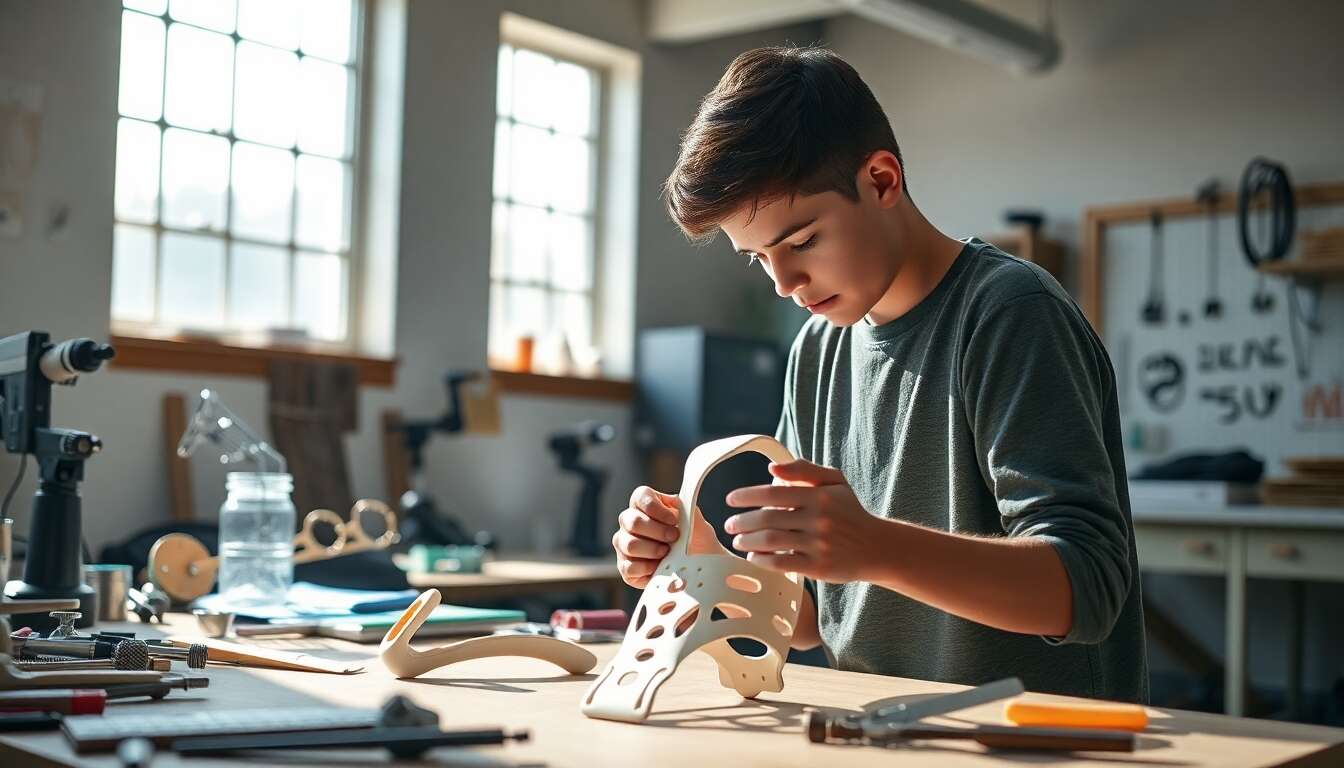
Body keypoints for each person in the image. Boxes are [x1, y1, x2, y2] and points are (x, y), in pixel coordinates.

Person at [611, 46, 1146, 702]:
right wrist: (697, 564)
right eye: (758, 259)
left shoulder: (1009, 313)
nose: (784, 282)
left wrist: (875, 547)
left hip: (1032, 744)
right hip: (879, 735)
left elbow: (1087, 589)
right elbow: (807, 617)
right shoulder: (816, 350)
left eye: (802, 241)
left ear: (883, 180)